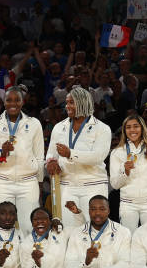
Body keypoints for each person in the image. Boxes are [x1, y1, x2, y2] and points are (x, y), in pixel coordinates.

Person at [45, 87, 111, 229]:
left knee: (94, 229)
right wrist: (50, 162)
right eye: (67, 103)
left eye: (71, 103)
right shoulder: (59, 127)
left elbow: (98, 156)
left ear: (83, 103)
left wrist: (70, 154)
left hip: (93, 184)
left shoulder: (102, 128)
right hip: (67, 184)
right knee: (68, 229)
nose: (67, 106)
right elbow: (51, 153)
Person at [0, 87, 44, 231]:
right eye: (9, 100)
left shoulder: (34, 123)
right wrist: (2, 155)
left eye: (17, 100)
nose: (13, 103)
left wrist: (40, 181)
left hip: (28, 182)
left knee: (28, 227)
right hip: (3, 182)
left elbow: (39, 156)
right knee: (1, 227)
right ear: (3, 102)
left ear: (22, 102)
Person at [110, 114, 147, 233]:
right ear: (124, 130)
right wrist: (124, 172)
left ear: (142, 128)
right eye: (128, 127)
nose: (132, 130)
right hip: (128, 204)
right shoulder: (117, 153)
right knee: (129, 240)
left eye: (136, 126)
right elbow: (115, 185)